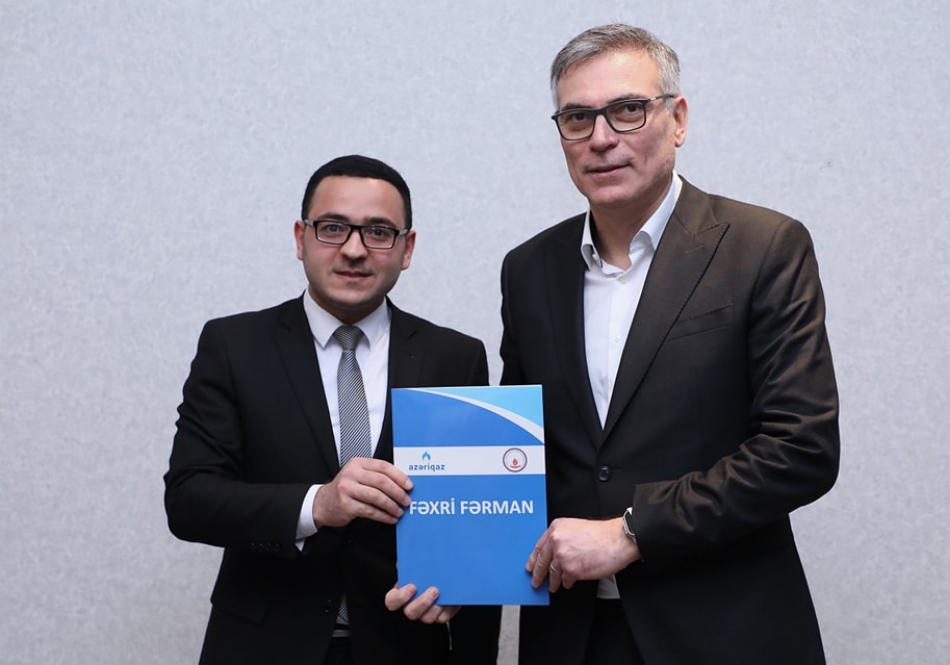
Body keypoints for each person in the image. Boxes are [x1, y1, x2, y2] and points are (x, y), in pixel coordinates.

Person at [391, 23, 839, 664]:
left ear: (677, 120)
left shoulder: (762, 247)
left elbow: (801, 450)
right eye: (577, 118)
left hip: (722, 629)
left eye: (628, 110)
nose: (601, 138)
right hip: (571, 635)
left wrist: (632, 532)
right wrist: (469, 564)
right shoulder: (529, 269)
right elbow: (525, 452)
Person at [164, 154, 501, 665]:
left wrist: (464, 581)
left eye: (379, 232)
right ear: (300, 238)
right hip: (265, 646)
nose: (354, 249)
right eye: (333, 228)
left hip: (407, 646)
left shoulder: (455, 356)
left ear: (407, 248)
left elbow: (479, 507)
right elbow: (189, 499)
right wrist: (316, 504)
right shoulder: (234, 346)